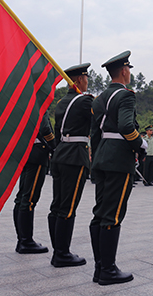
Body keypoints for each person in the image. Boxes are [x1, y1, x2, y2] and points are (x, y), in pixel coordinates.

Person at [90, 50, 144, 286]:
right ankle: (108, 270)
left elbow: (95, 133)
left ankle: (99, 266)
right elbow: (125, 125)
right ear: (124, 71)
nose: (129, 73)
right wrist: (140, 144)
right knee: (113, 214)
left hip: (102, 156)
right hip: (118, 159)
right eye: (129, 69)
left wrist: (95, 159)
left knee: (100, 212)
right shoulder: (126, 96)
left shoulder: (99, 98)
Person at [48, 63, 93, 267]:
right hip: (74, 157)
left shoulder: (62, 102)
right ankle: (62, 254)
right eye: (85, 78)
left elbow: (57, 133)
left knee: (57, 206)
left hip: (59, 155)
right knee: (68, 207)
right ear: (78, 80)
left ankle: (58, 250)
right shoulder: (84, 101)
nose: (87, 81)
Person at [13, 111, 55, 254]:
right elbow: (45, 129)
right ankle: (26, 241)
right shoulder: (38, 102)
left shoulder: (25, 102)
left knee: (22, 197)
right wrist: (53, 145)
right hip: (37, 152)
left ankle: (22, 240)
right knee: (29, 199)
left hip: (26, 151)